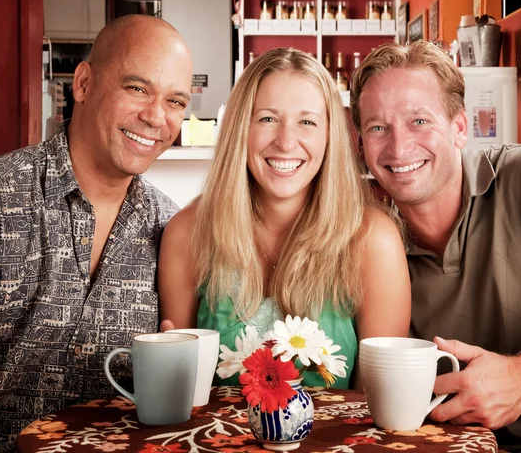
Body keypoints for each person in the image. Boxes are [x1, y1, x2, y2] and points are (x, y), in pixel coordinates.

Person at [349, 40, 521, 450]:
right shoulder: (364, 239)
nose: (398, 147)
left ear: (460, 128)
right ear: (360, 146)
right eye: (377, 127)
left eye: (419, 121)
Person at [0, 15, 192, 449]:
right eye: (137, 88)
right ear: (83, 84)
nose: (156, 117)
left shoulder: (171, 230)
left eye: (175, 101)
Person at [158, 47, 411, 389]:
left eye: (307, 122)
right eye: (267, 119)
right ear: (240, 129)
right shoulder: (187, 233)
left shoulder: (373, 239)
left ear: (329, 135)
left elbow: (380, 404)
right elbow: (181, 390)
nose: (286, 141)